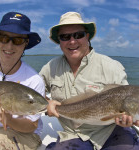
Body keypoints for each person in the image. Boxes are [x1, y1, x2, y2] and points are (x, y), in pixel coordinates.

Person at [39, 12, 139, 150]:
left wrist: (130, 120)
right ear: (59, 41)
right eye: (65, 37)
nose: (72, 41)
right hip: (72, 135)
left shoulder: (112, 66)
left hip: (111, 132)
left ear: (87, 36)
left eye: (78, 35)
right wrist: (47, 104)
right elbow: (34, 93)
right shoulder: (50, 68)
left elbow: (128, 98)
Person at [0, 12, 45, 150]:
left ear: (26, 44)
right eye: (4, 38)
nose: (9, 46)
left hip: (24, 133)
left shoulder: (34, 80)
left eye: (18, 40)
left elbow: (31, 126)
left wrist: (6, 118)